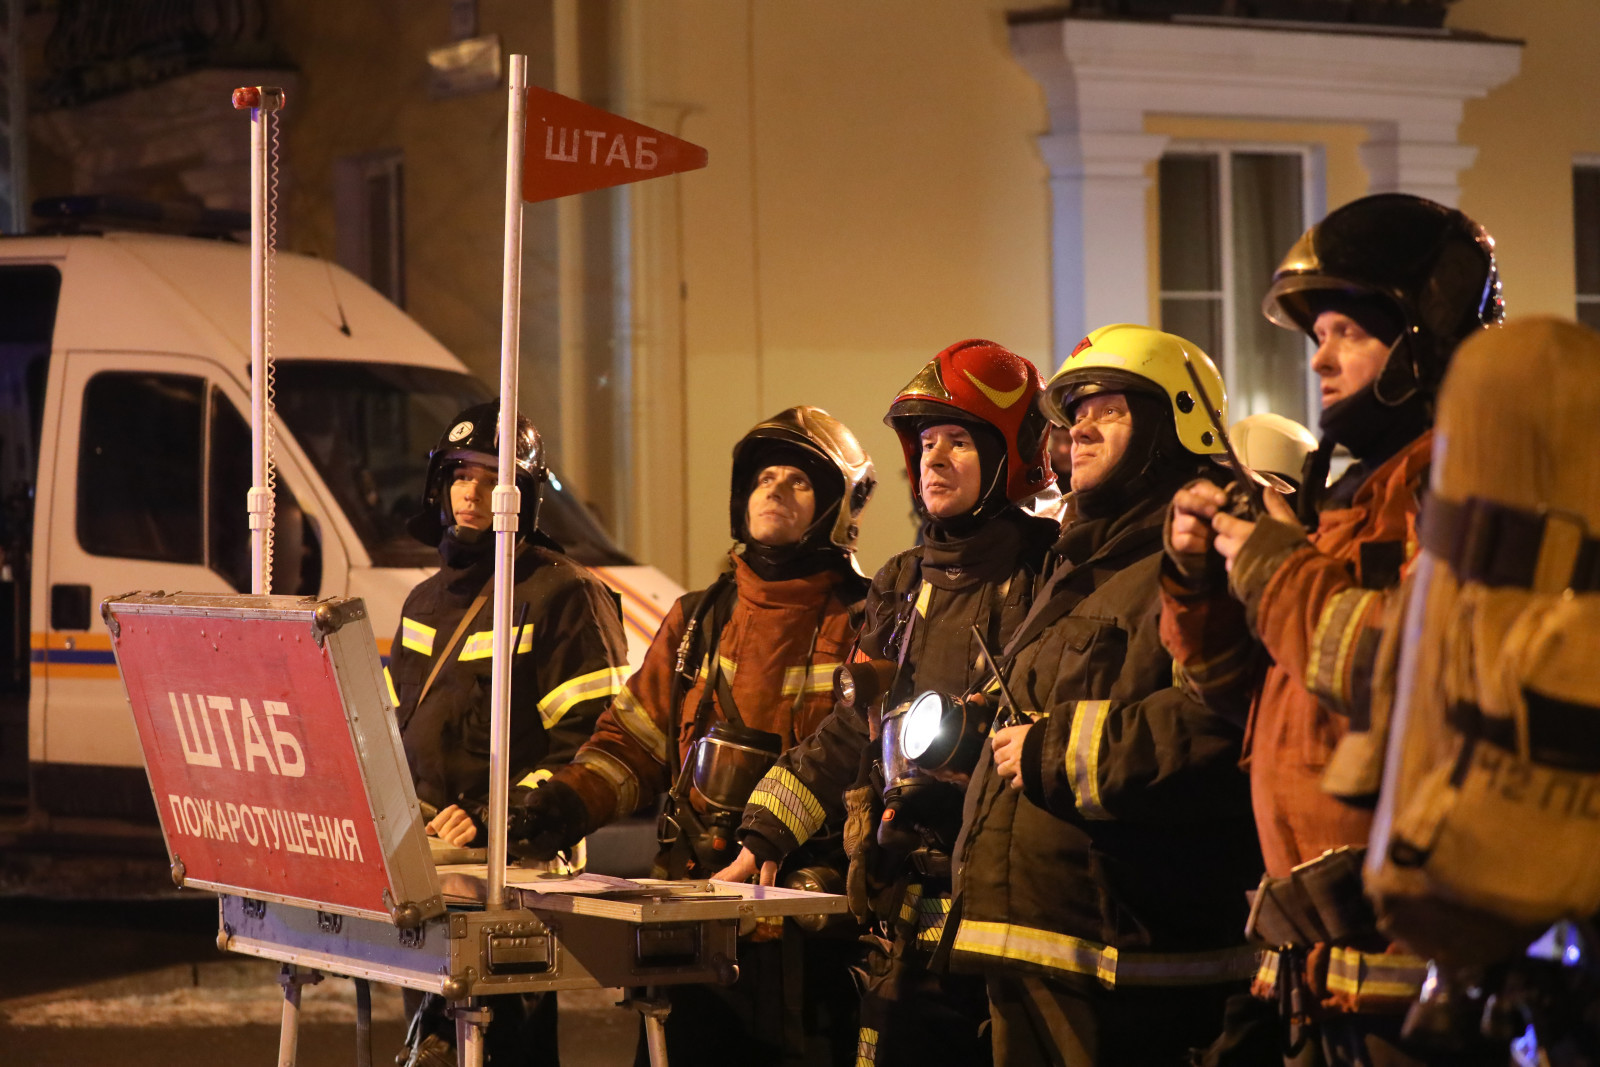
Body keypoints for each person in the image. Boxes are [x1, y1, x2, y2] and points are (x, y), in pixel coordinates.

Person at [1160, 193, 1504, 1065]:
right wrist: (1199, 586)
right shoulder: (1354, 496)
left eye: (1347, 330)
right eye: (1317, 337)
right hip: (1319, 963)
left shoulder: (1467, 476)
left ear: (1421, 333)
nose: (1321, 358)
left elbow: (1415, 667)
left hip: (1414, 980)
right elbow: (1248, 697)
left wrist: (1275, 566)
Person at [499, 406, 877, 1066]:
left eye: (796, 480)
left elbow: (863, 756)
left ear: (836, 505)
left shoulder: (869, 622)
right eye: (763, 477)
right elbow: (632, 745)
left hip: (811, 941)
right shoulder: (697, 621)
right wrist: (561, 806)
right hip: (693, 929)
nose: (774, 489)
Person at [722, 338, 1061, 1067]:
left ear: (1013, 457)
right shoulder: (903, 582)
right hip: (906, 923)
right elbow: (852, 726)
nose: (933, 459)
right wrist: (763, 835)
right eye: (926, 441)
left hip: (1010, 929)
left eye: (960, 440)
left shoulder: (1049, 570)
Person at [961, 323, 1263, 1066]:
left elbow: (1223, 725)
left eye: (1112, 407)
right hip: (1035, 949)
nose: (1080, 426)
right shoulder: (1079, 566)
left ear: (1173, 425)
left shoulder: (1204, 558)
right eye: (1076, 410)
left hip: (1132, 973)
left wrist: (1051, 750)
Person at [388, 400, 629, 1067]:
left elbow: (591, 746)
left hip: (518, 878)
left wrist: (494, 820)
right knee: (431, 1048)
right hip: (430, 873)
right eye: (461, 474)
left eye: (492, 475)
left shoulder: (562, 596)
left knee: (506, 1051)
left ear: (521, 494)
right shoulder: (422, 602)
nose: (472, 491)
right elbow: (396, 743)